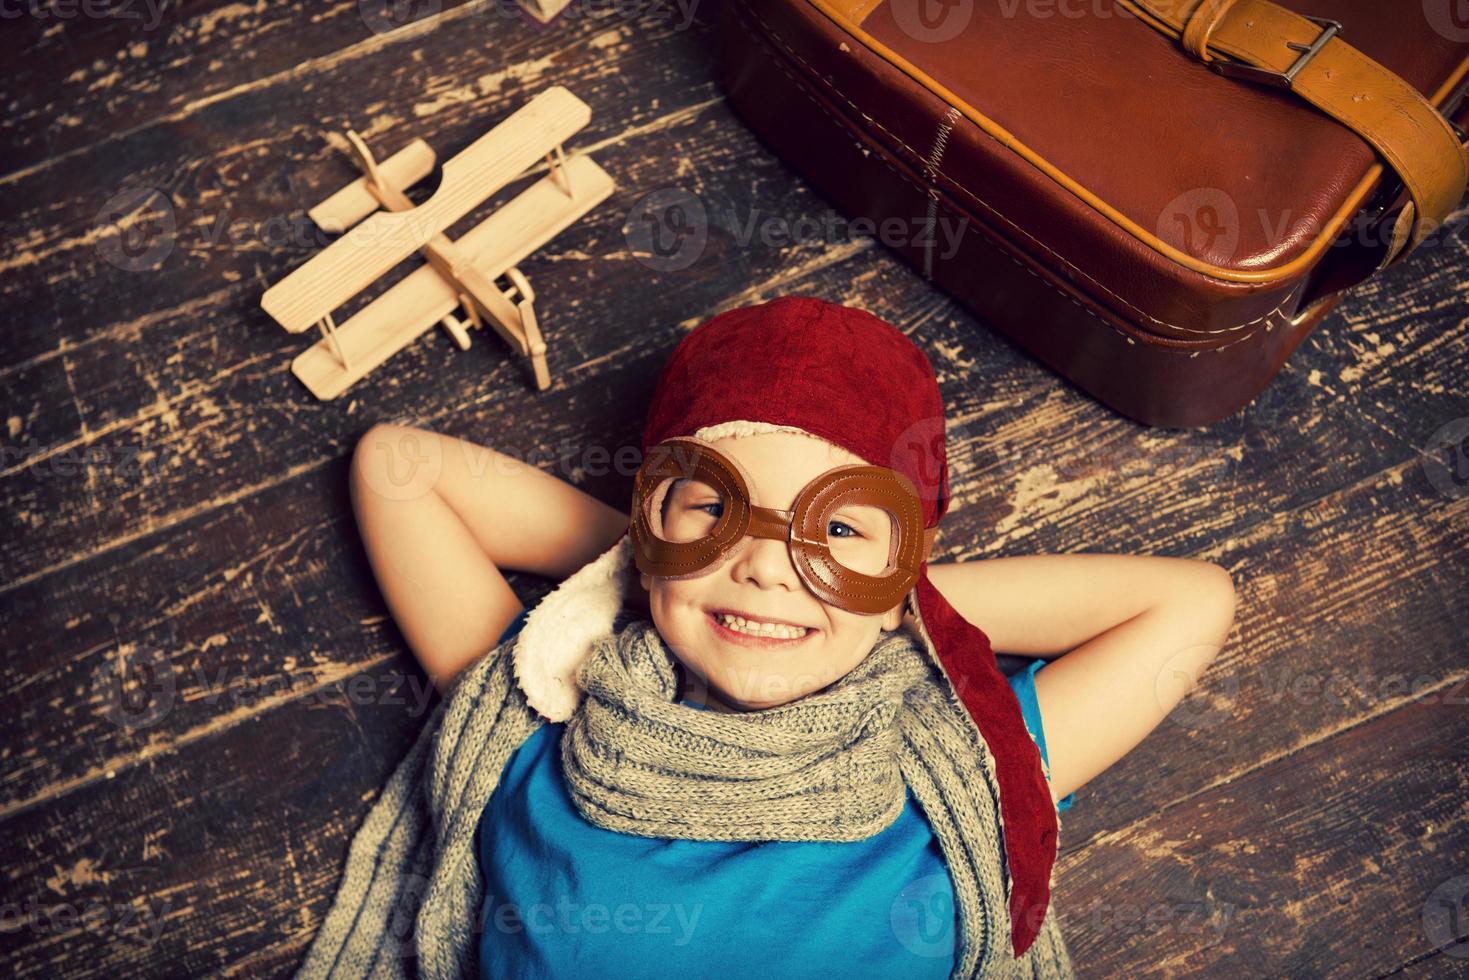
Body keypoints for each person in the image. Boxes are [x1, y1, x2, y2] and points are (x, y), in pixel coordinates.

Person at [331, 295, 1237, 979]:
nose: (769, 569)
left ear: (901, 580)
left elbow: (1189, 604)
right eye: (713, 508)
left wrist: (870, 597)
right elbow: (397, 469)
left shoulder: (961, 765)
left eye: (839, 529)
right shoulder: (534, 730)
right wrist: (666, 562)